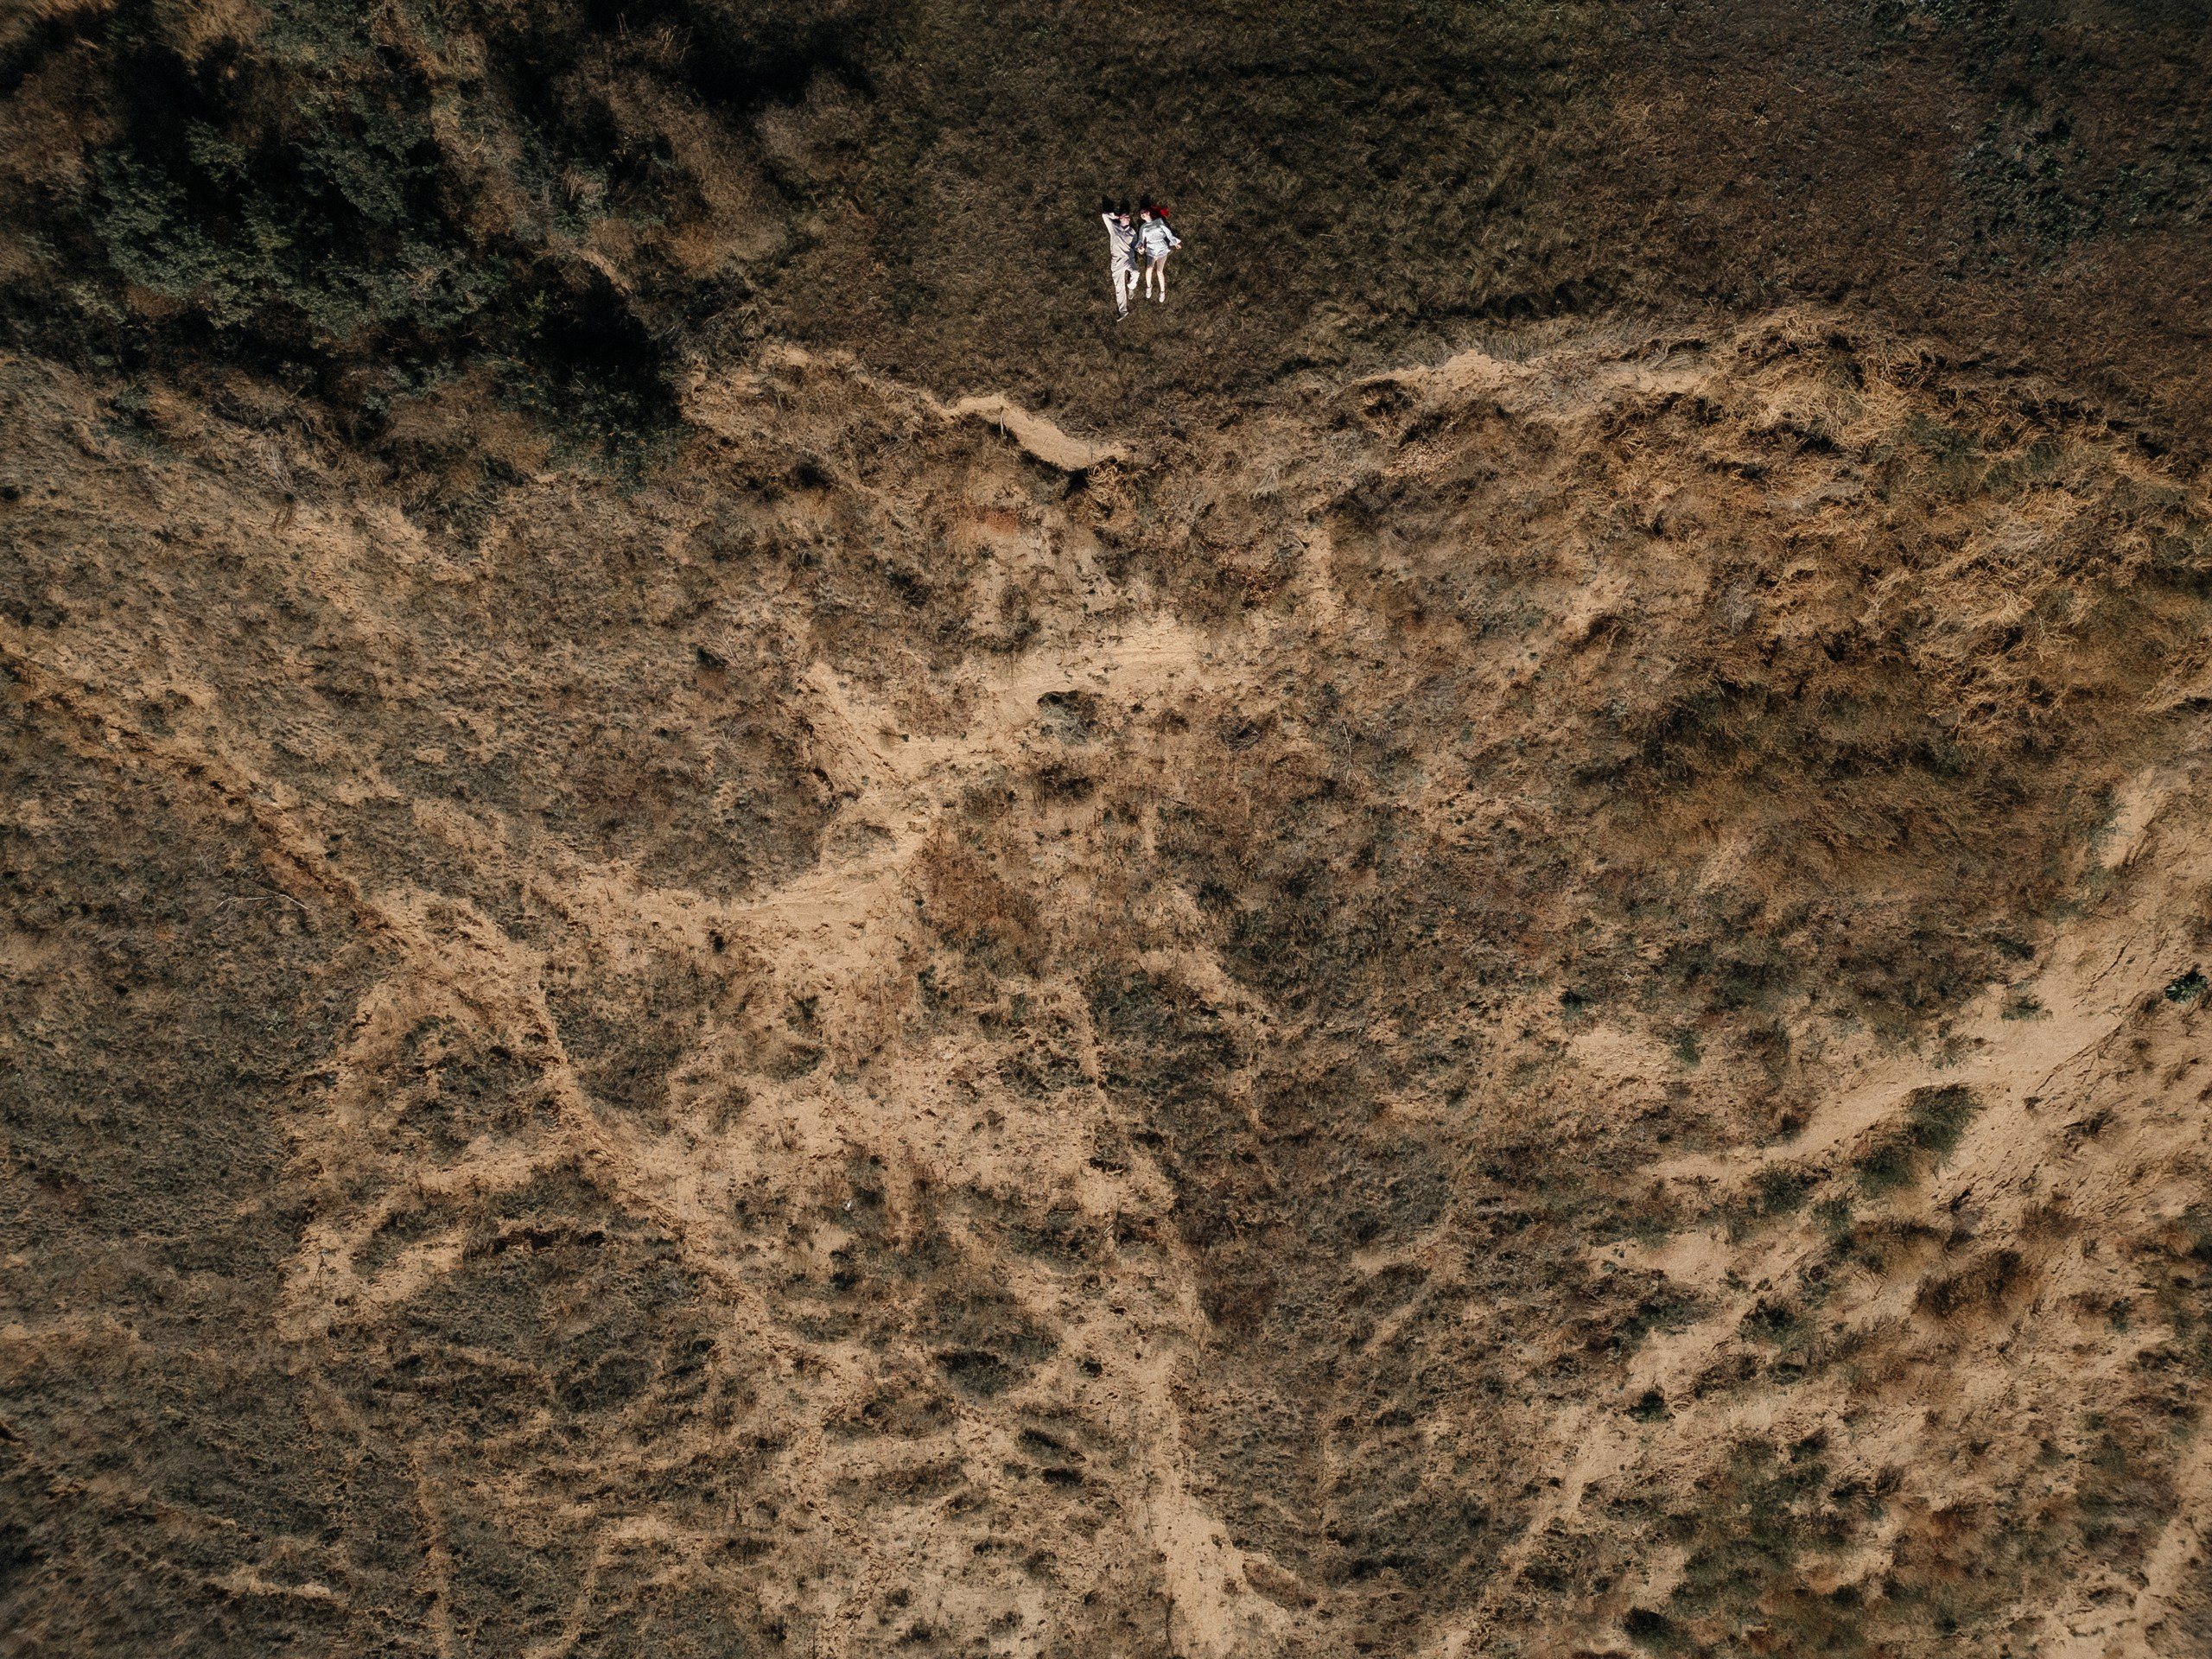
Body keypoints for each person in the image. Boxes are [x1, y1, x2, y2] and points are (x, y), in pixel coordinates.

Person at [1100, 207, 1138, 320]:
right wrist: (1115, 216)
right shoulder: (1113, 227)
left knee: (1136, 272)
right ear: (1121, 218)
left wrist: (1139, 248)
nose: (1129, 219)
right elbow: (1104, 216)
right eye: (1126, 217)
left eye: (1129, 218)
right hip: (1117, 260)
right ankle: (1123, 310)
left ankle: (1131, 286)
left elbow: (1135, 245)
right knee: (1119, 287)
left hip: (1128, 258)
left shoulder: (1132, 231)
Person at [1138, 207, 1182, 303]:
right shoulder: (1143, 227)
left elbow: (1168, 232)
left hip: (1162, 247)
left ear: (1148, 213)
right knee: (1149, 269)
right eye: (1141, 213)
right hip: (1151, 249)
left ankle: (1162, 292)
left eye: (1143, 212)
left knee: (1159, 271)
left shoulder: (1159, 221)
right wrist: (1141, 248)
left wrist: (1174, 243)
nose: (1142, 214)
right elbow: (1141, 240)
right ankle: (1149, 287)